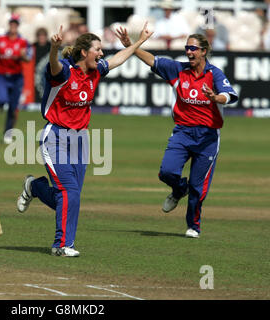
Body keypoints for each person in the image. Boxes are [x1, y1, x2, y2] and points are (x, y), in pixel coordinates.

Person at [16, 23, 153, 257]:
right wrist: (53, 48)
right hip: (55, 137)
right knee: (69, 192)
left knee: (71, 195)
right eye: (97, 49)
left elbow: (118, 59)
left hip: (80, 140)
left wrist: (138, 42)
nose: (101, 54)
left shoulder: (96, 71)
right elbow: (53, 64)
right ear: (84, 52)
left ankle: (35, 187)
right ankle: (61, 245)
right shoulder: (65, 72)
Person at [130, 34, 238, 238]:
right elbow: (152, 60)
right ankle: (179, 189)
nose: (189, 52)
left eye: (193, 48)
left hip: (207, 137)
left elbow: (229, 95)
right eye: (187, 48)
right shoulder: (178, 70)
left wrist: (216, 97)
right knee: (166, 172)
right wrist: (131, 46)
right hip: (182, 131)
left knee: (198, 188)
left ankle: (193, 226)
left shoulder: (214, 74)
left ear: (204, 51)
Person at [0, 14, 32, 144]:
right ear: (9, 24)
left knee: (13, 107)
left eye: (15, 23)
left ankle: (8, 132)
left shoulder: (23, 41)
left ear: (18, 25)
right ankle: (1, 105)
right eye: (11, 23)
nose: (13, 25)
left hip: (16, 77)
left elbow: (28, 57)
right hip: (1, 75)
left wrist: (23, 56)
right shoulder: (0, 38)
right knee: (1, 100)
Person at [33, 27, 51, 104]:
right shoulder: (33, 47)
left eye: (43, 35)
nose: (42, 37)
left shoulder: (51, 47)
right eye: (40, 35)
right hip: (36, 74)